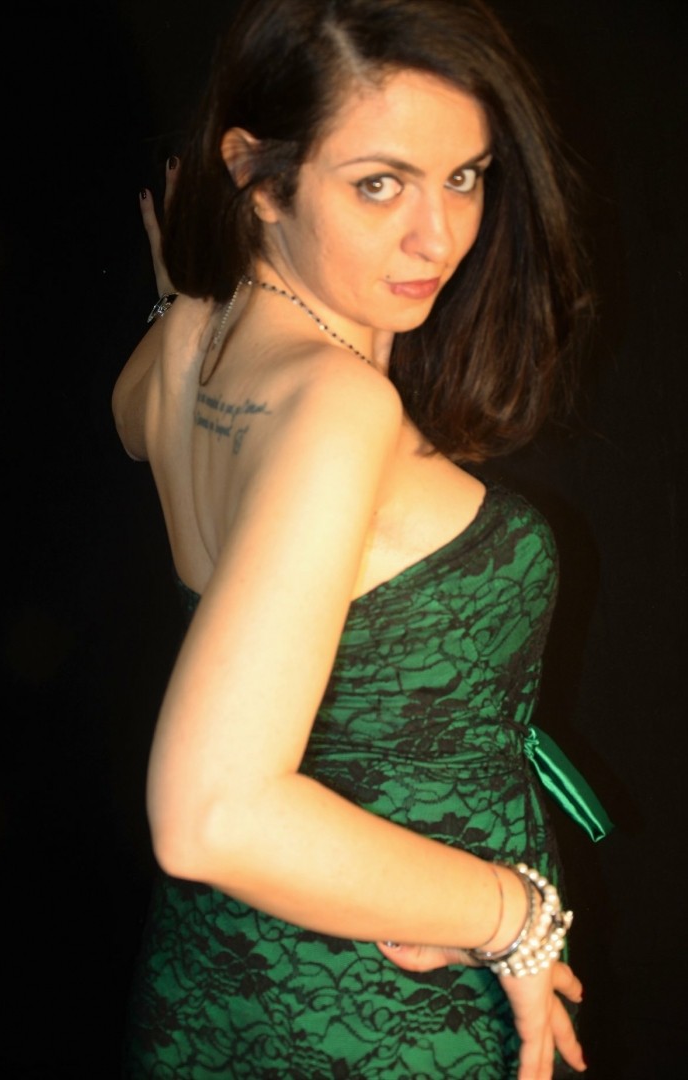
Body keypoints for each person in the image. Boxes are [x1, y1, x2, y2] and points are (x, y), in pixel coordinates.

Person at [113, 1, 611, 1076]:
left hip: (214, 987)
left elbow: (135, 414)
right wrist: (512, 915)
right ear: (258, 176)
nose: (439, 236)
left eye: (464, 177)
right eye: (379, 184)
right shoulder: (336, 405)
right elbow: (209, 814)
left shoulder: (191, 330)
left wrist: (176, 294)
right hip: (378, 1012)